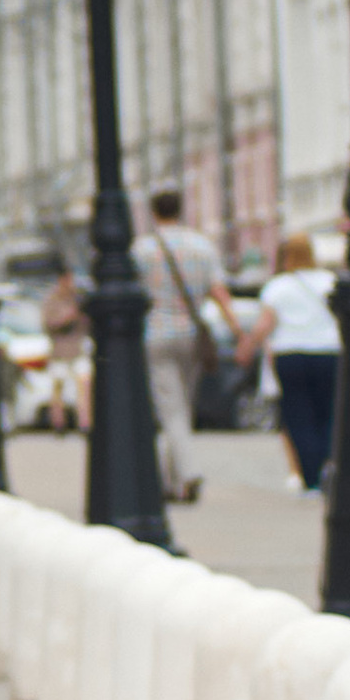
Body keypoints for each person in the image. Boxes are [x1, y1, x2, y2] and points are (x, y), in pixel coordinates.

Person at [132, 184, 229, 506]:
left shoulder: (142, 250)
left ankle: (186, 474)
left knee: (170, 410)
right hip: (191, 334)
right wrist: (237, 330)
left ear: (154, 212)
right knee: (180, 408)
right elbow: (218, 290)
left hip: (155, 334)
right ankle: (174, 482)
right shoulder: (201, 246)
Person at [241, 229, 340, 494]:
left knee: (298, 417)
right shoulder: (330, 282)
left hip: (290, 355)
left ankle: (310, 478)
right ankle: (330, 468)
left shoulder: (278, 286)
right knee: (328, 414)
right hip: (328, 352)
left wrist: (247, 345)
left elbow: (265, 325)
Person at [37, 262, 89, 435]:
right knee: (58, 389)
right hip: (59, 352)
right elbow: (48, 323)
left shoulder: (77, 299)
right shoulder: (52, 300)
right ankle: (58, 424)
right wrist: (67, 318)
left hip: (77, 349)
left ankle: (85, 423)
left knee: (85, 386)